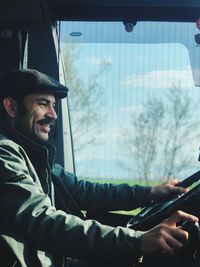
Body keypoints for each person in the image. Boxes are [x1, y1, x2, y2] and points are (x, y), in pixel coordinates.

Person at [0, 68, 198, 267]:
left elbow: (82, 191)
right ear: (12, 108)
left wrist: (151, 192)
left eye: (53, 105)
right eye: (43, 104)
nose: (53, 115)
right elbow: (42, 221)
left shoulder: (32, 155)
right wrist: (137, 240)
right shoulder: (4, 153)